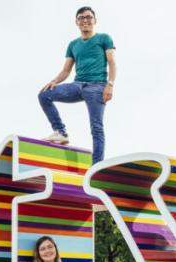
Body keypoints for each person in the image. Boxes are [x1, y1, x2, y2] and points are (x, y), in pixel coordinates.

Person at [38, 6, 116, 164]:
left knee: (96, 127)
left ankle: (97, 166)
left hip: (97, 86)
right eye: (81, 18)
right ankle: (60, 132)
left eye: (88, 17)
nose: (85, 20)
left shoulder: (104, 38)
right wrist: (54, 81)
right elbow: (66, 70)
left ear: (94, 20)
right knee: (44, 95)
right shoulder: (73, 44)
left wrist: (110, 85)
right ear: (76, 22)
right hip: (77, 85)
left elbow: (112, 63)